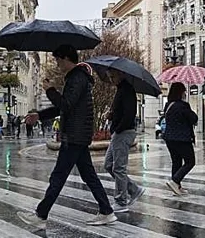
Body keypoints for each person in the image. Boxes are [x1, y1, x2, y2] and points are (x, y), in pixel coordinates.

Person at [18, 45, 117, 229]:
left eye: (58, 60)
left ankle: (41, 216)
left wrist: (50, 90)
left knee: (58, 176)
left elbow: (66, 104)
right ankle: (107, 211)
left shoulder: (77, 78)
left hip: (74, 135)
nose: (57, 64)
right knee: (89, 175)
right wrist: (39, 115)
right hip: (77, 135)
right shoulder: (77, 77)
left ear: (65, 59)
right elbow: (62, 106)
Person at [104, 70, 144, 211]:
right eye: (110, 76)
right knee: (108, 164)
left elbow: (129, 114)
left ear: (120, 75)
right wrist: (111, 115)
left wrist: (118, 128)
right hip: (119, 131)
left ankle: (121, 201)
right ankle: (133, 189)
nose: (111, 79)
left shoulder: (127, 90)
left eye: (112, 76)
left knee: (118, 168)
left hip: (123, 132)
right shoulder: (120, 90)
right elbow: (121, 111)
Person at [162, 83, 197, 196]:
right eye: (184, 91)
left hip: (169, 138)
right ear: (180, 92)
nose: (185, 93)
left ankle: (177, 186)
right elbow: (193, 119)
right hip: (182, 139)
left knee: (176, 162)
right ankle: (175, 181)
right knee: (190, 161)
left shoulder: (168, 105)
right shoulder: (183, 106)